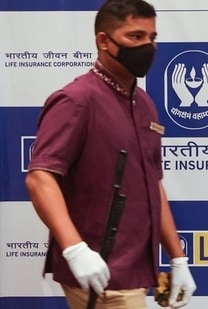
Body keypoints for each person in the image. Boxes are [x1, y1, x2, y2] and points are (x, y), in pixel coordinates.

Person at [25, 0, 196, 308]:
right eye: (135, 36)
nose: (148, 46)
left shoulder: (144, 103)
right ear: (104, 41)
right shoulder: (76, 100)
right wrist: (75, 250)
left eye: (152, 37)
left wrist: (178, 258)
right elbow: (40, 178)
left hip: (135, 270)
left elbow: (152, 184)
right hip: (100, 273)